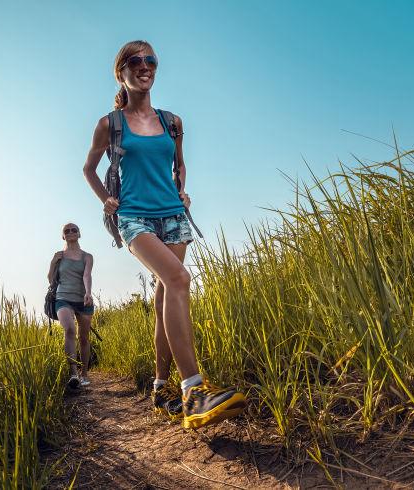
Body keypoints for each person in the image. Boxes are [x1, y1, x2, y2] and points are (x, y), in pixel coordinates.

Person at [82, 40, 246, 429]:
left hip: (173, 215)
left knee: (164, 295)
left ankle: (160, 387)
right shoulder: (110, 124)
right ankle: (194, 391)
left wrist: (182, 188)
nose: (145, 65)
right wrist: (107, 199)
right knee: (178, 279)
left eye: (150, 59)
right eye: (135, 60)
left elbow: (179, 164)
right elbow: (88, 168)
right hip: (134, 217)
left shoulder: (172, 121)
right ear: (121, 71)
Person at [48, 222, 95, 389]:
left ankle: (84, 374)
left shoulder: (87, 256)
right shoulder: (59, 256)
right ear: (63, 236)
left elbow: (87, 275)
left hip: (83, 299)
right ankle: (73, 374)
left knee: (83, 338)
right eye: (66, 231)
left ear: (79, 233)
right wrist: (53, 262)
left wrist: (88, 292)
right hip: (63, 298)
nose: (70, 232)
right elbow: (50, 279)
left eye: (74, 229)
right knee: (69, 329)